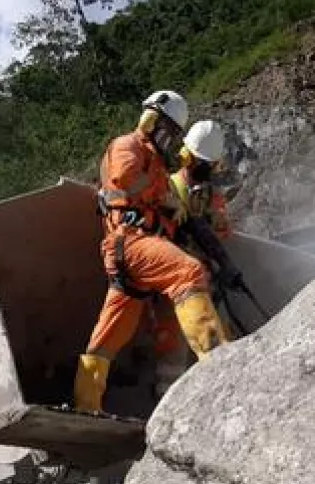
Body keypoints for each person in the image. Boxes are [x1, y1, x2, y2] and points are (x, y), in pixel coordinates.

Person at [74, 90, 231, 413]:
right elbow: (126, 179)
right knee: (188, 271)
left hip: (136, 251)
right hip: (131, 242)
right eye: (167, 131)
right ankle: (219, 364)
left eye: (174, 135)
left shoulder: (158, 164)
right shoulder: (127, 145)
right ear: (151, 120)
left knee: (109, 334)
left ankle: (85, 404)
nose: (169, 140)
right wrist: (165, 198)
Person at [151, 119, 239, 397]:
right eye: (203, 163)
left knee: (220, 339)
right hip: (175, 284)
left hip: (205, 283)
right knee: (173, 351)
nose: (207, 169)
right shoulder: (169, 187)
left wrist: (215, 222)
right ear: (188, 157)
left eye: (209, 165)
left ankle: (223, 396)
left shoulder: (211, 194)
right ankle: (166, 403)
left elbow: (223, 233)